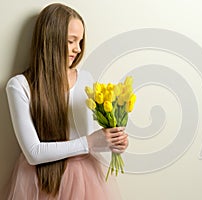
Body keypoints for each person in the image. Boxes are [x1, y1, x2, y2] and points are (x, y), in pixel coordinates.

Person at [5, 3, 128, 199]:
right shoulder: (20, 85)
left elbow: (90, 139)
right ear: (51, 39)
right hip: (41, 180)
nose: (78, 49)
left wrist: (112, 142)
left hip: (87, 178)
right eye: (71, 41)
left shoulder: (86, 80)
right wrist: (90, 141)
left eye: (80, 42)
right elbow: (33, 153)